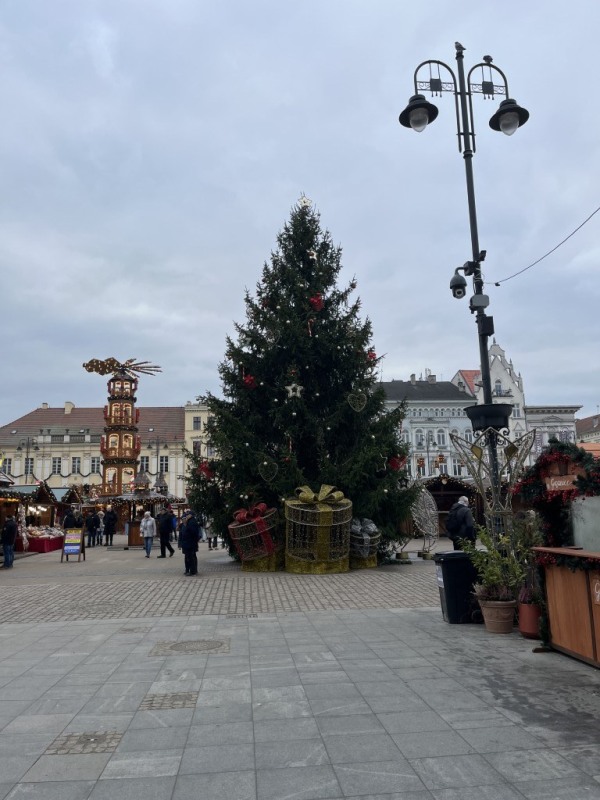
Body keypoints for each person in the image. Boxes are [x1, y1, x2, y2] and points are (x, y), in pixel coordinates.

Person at [179, 510, 200, 576]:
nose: (186, 516)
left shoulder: (192, 522)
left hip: (190, 543)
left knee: (191, 557)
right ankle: (189, 570)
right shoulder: (187, 523)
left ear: (191, 515)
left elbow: (194, 533)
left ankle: (193, 571)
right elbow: (181, 535)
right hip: (187, 543)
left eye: (187, 515)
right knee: (188, 557)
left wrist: (194, 541)